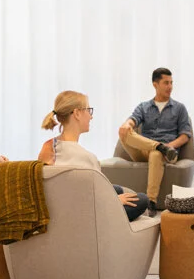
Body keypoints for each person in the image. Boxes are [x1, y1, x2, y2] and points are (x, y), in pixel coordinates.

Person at [38, 91, 148, 221]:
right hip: (87, 216)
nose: (91, 117)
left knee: (116, 189)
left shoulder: (48, 147)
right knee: (142, 199)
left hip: (60, 207)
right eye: (88, 110)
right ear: (77, 113)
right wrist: (115, 201)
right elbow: (95, 199)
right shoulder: (88, 159)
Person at [118, 68, 192, 217]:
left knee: (156, 154)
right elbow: (133, 120)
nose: (170, 86)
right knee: (123, 131)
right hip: (143, 151)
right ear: (155, 84)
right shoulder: (143, 107)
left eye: (171, 83)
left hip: (168, 153)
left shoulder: (179, 108)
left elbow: (185, 136)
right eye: (166, 83)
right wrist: (127, 124)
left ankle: (151, 201)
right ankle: (158, 146)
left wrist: (169, 146)